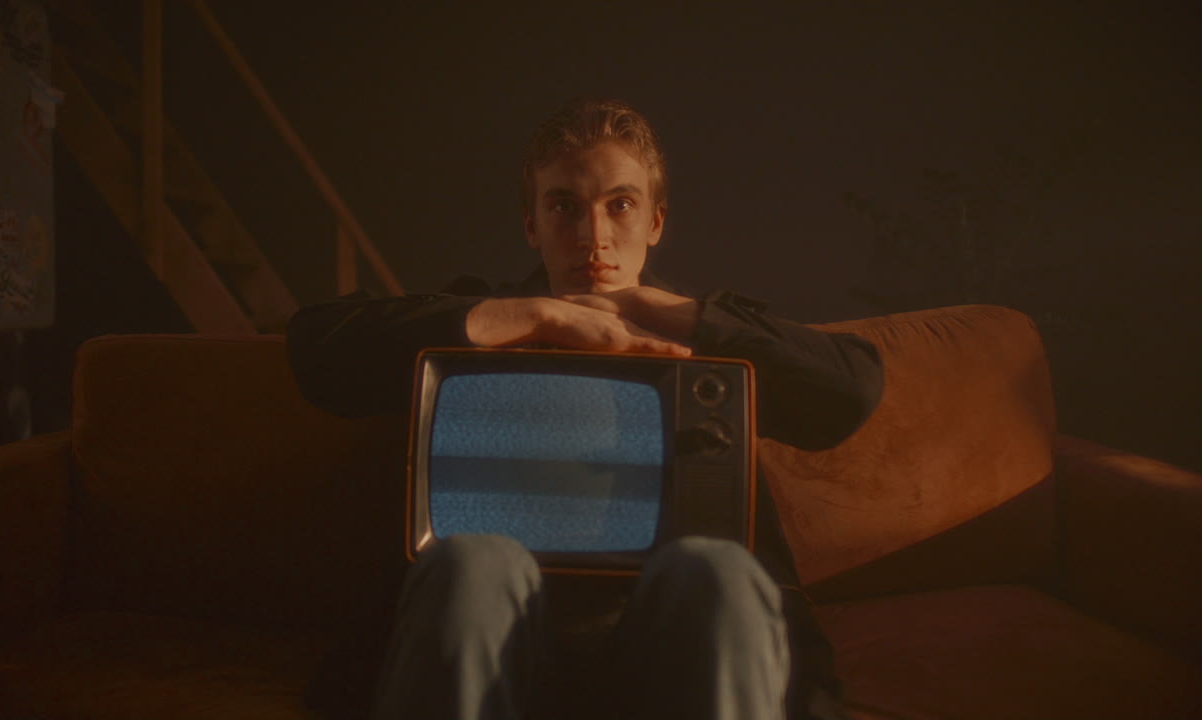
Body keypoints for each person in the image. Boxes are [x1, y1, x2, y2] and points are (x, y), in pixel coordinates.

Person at [287, 97, 884, 720]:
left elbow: (852, 390)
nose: (592, 238)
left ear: (655, 222)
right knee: (474, 560)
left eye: (619, 206)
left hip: (669, 652)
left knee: (716, 571)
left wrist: (681, 315)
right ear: (530, 224)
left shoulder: (715, 339)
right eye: (564, 206)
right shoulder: (479, 322)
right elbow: (315, 350)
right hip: (505, 652)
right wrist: (536, 314)